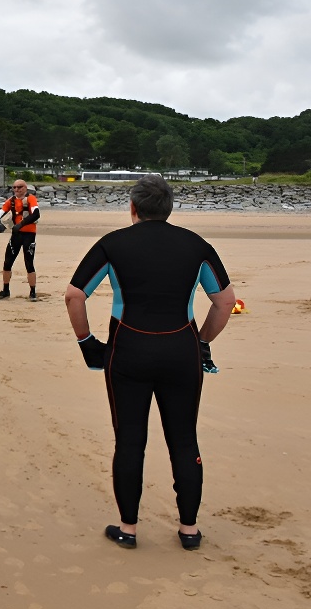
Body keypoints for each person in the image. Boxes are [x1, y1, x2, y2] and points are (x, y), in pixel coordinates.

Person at [64, 174, 236, 551]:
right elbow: (225, 302)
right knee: (183, 438)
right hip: (181, 352)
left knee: (129, 440)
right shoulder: (196, 245)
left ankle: (129, 528)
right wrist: (201, 342)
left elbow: (75, 295)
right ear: (170, 208)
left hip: (128, 352)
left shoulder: (112, 244)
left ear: (133, 208)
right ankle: (189, 530)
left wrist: (87, 343)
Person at [0, 180, 40, 302]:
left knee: (29, 263)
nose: (17, 189)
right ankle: (5, 290)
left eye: (19, 187)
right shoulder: (11, 201)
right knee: (7, 262)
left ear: (25, 188)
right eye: (14, 187)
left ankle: (32, 292)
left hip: (29, 235)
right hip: (16, 235)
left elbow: (36, 214)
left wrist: (21, 224)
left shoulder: (31, 199)